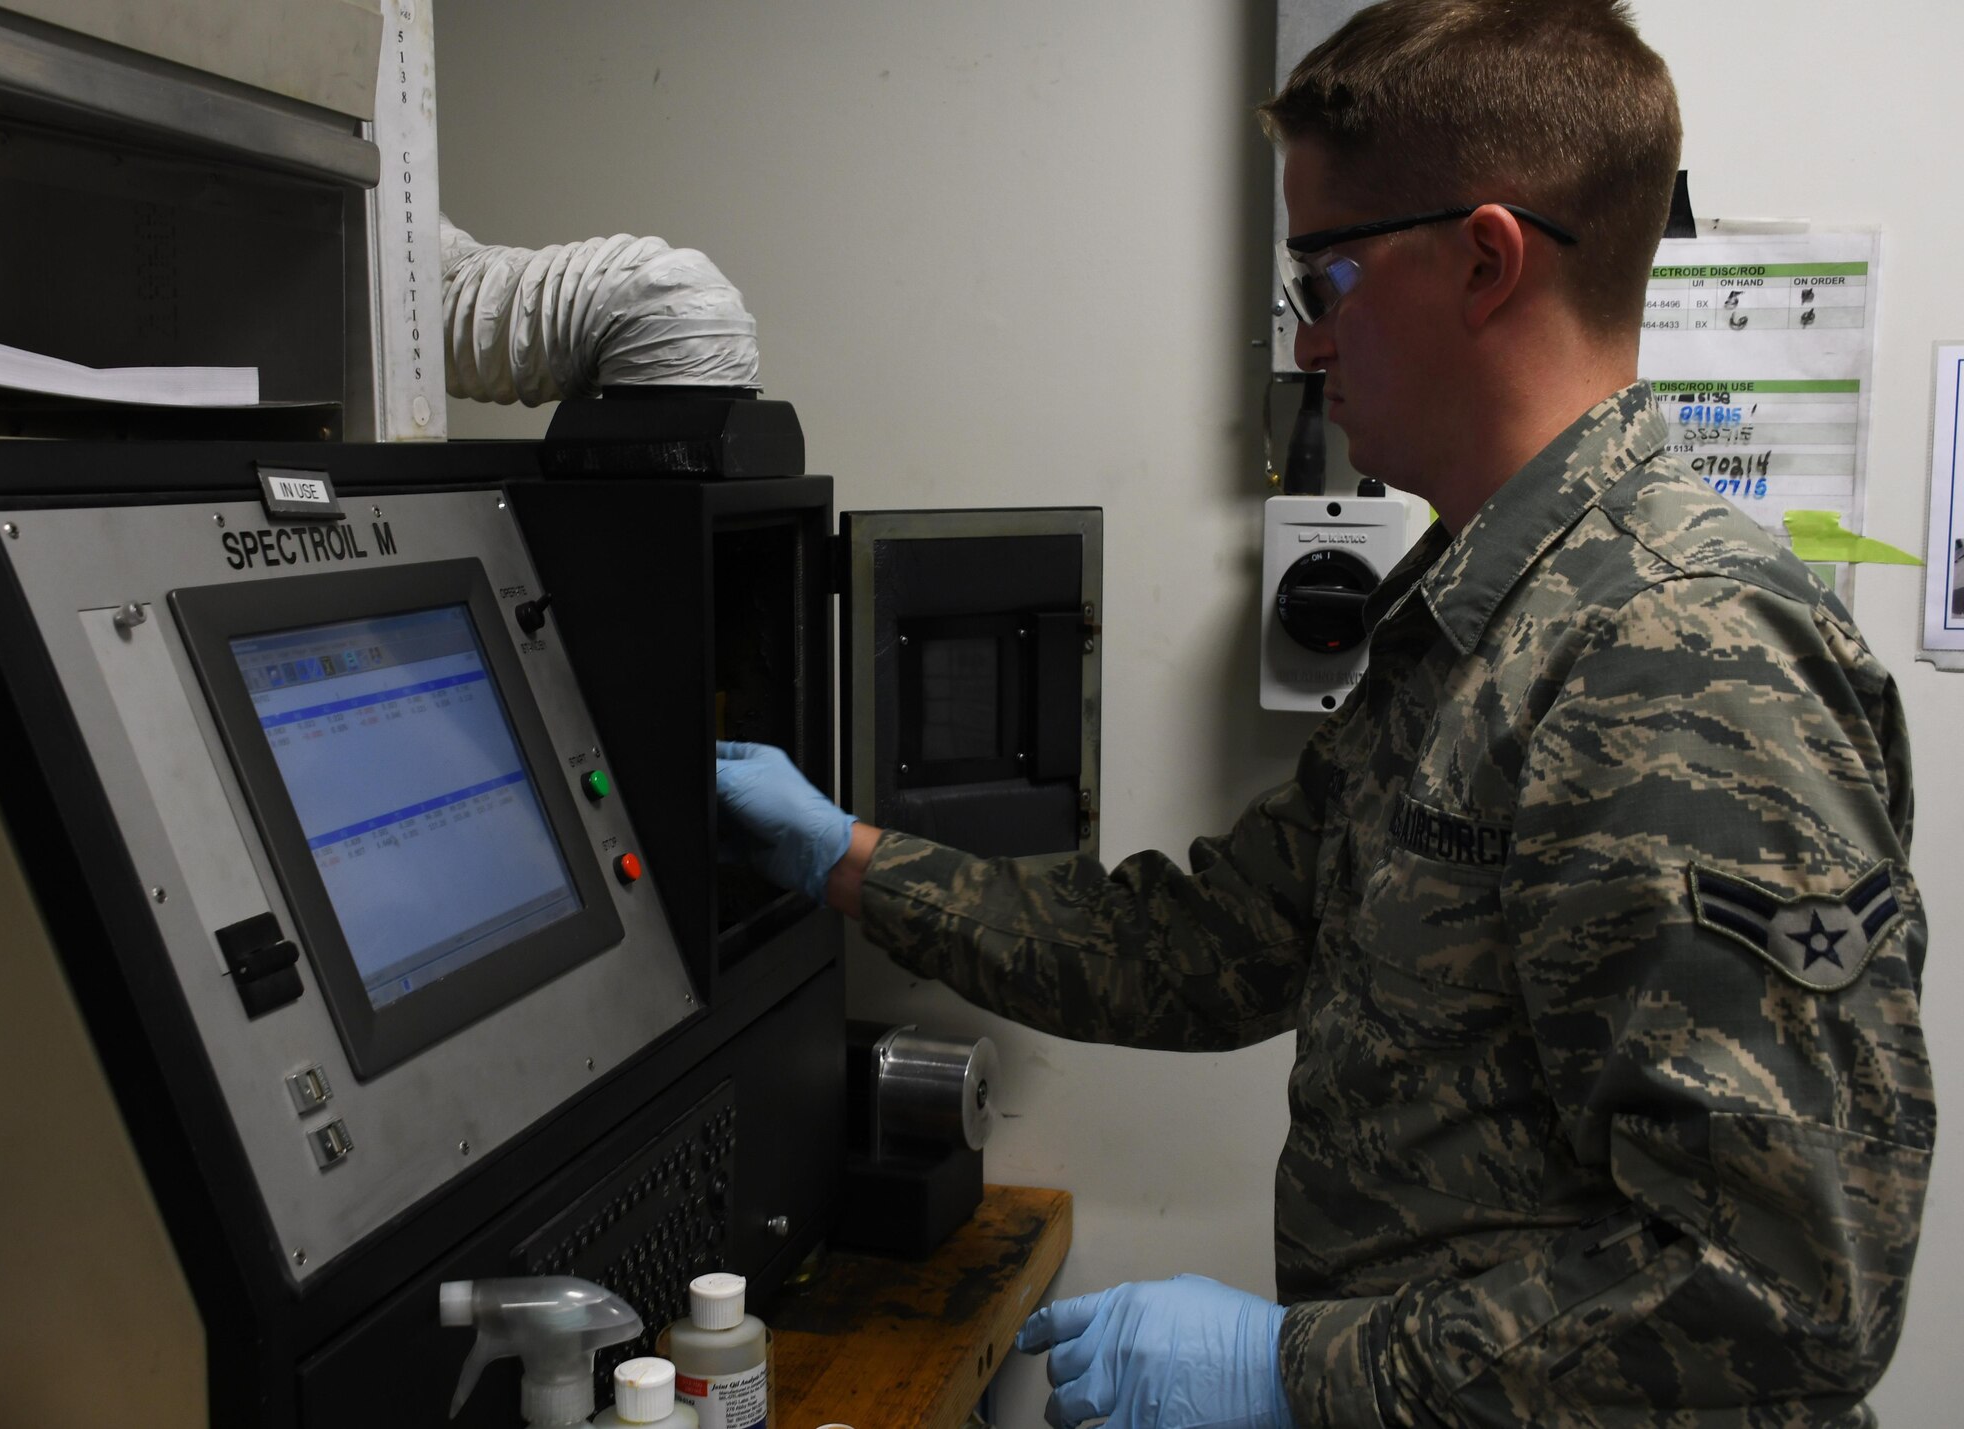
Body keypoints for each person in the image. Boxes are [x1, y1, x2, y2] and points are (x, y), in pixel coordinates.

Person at [716, 1, 1934, 1424]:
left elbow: (1785, 1297)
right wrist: (847, 857)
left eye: (1327, 277)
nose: (1306, 347)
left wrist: (1294, 1374)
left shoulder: (1678, 649)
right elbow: (1210, 944)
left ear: (1485, 259)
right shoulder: (1475, 619)